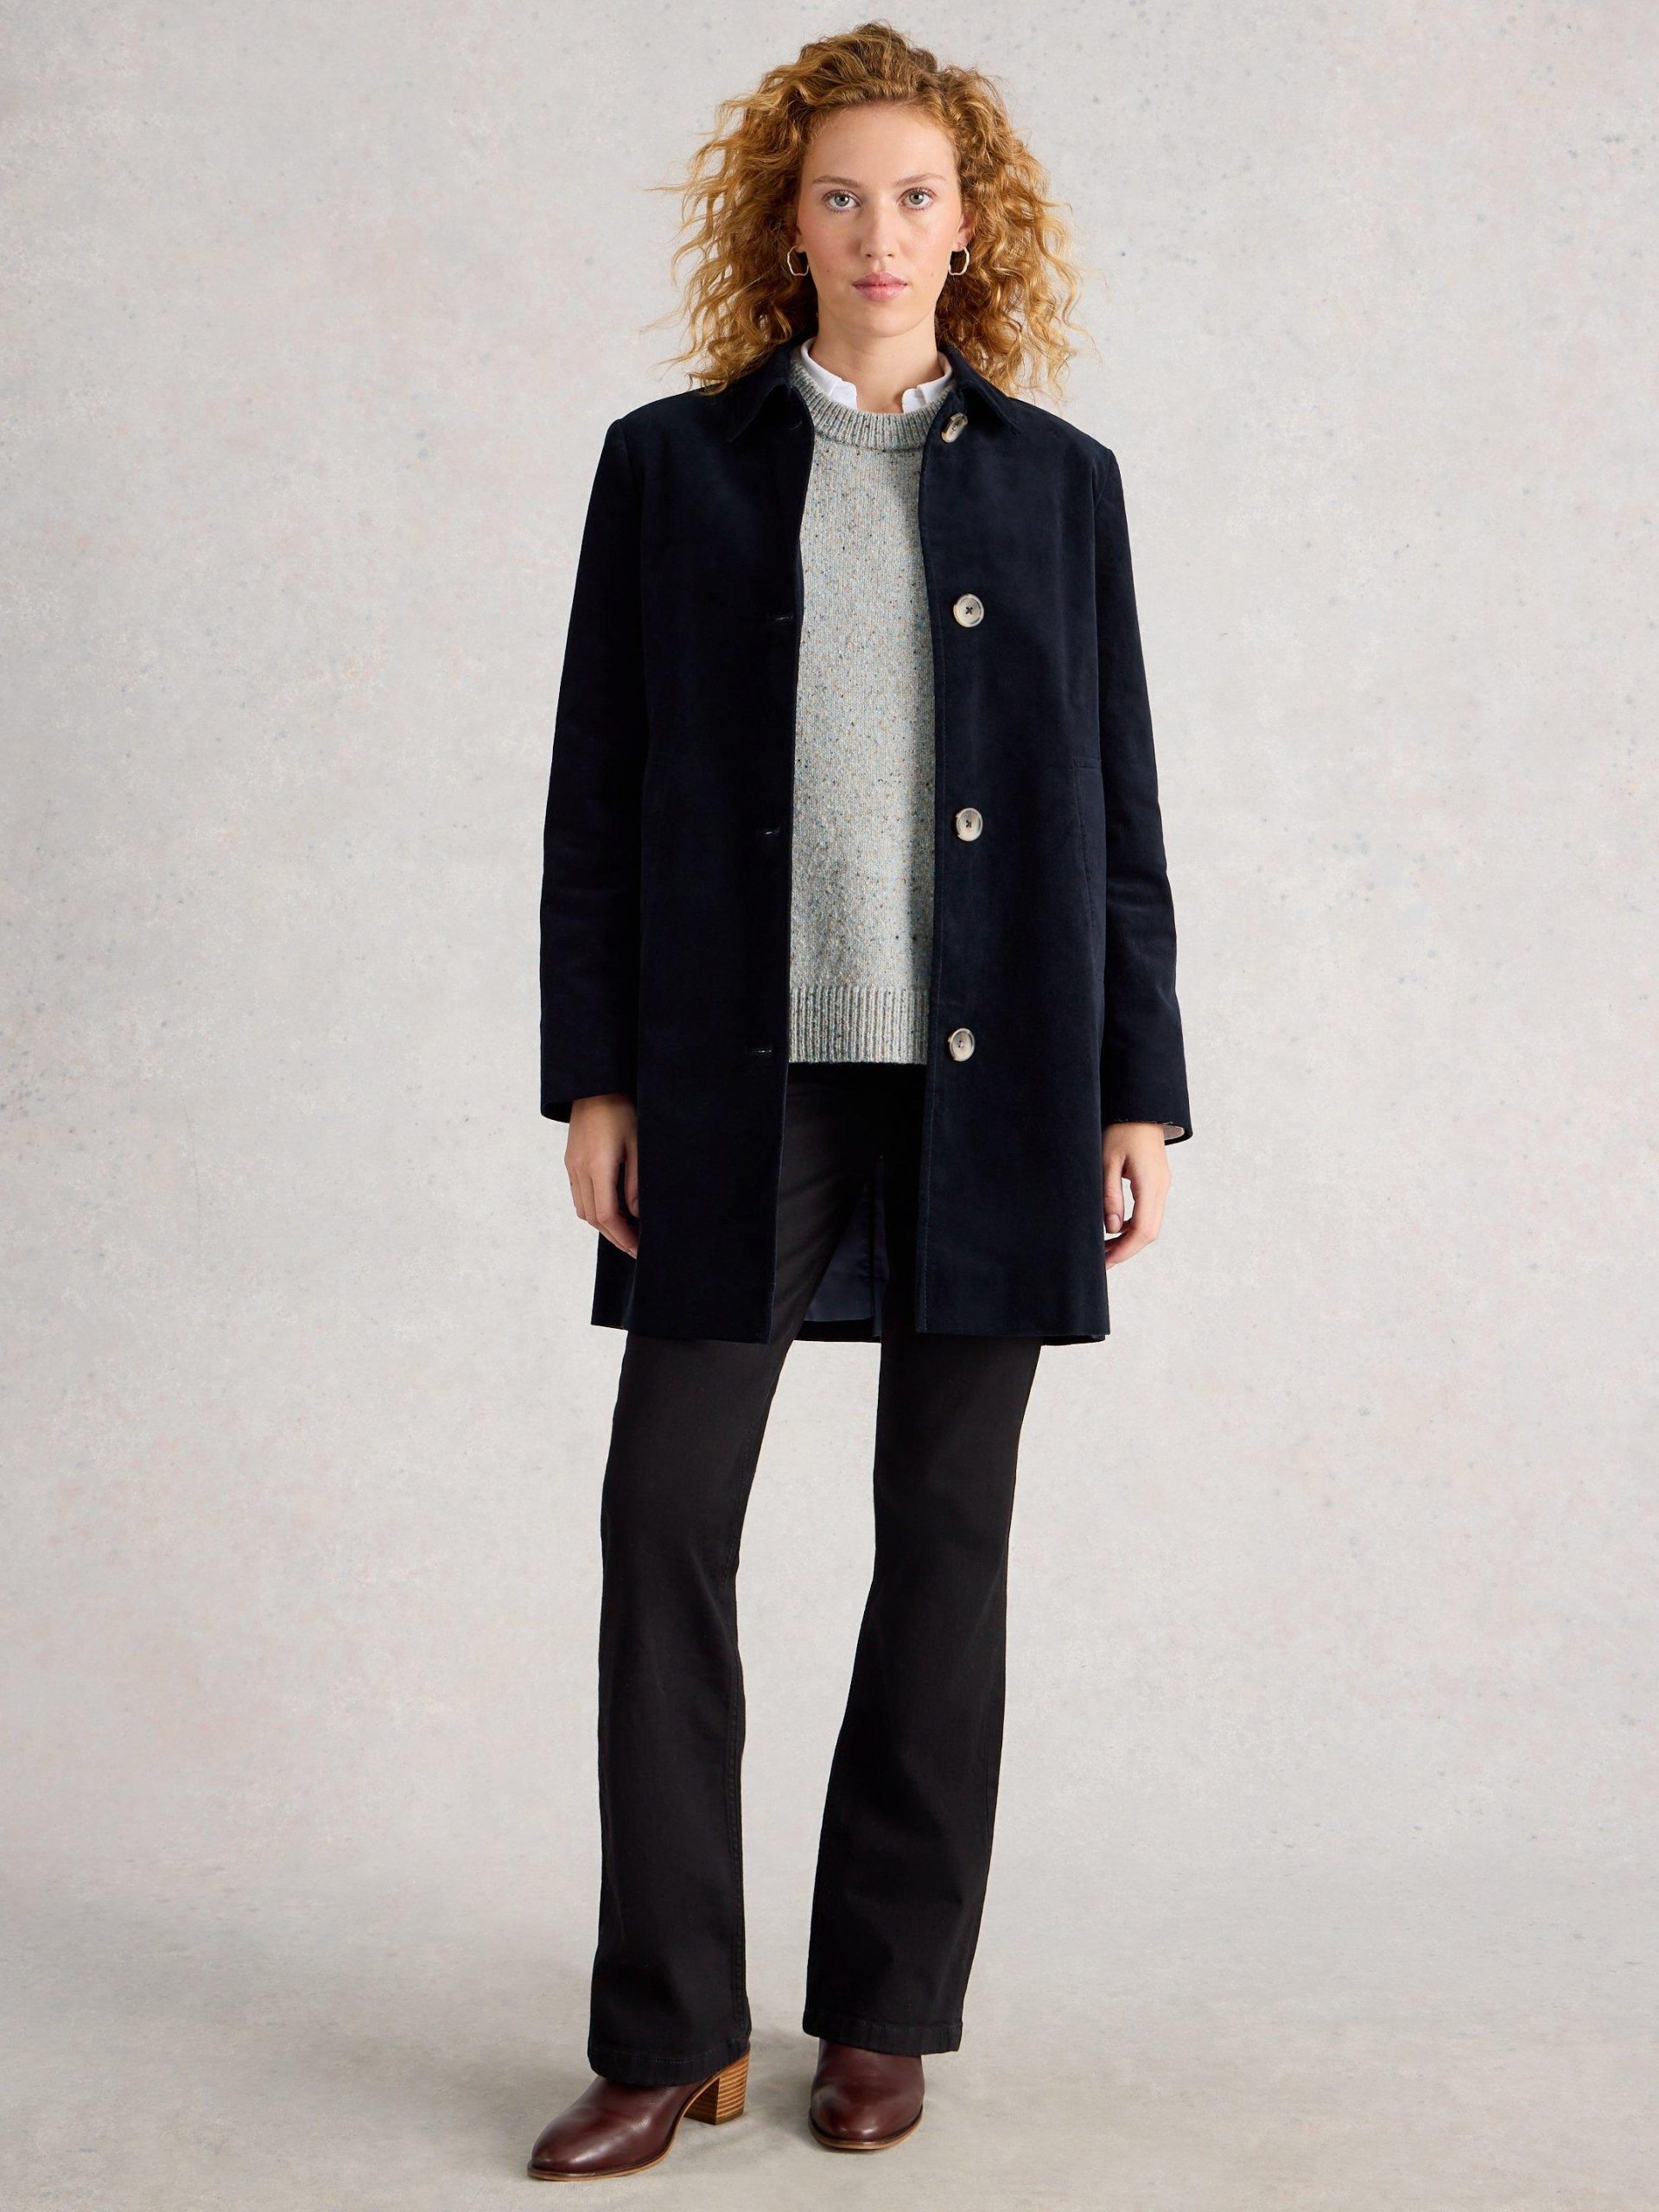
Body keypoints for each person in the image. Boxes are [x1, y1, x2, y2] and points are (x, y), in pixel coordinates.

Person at [527, 23, 1192, 2183]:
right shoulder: (670, 469)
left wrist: (1140, 1091)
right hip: (739, 1073)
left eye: (914, 196)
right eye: (839, 196)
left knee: (947, 1535)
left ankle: (885, 2007)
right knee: (663, 1515)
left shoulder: (1060, 486)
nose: (879, 233)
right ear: (787, 225)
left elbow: (1117, 812)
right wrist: (596, 1072)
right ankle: (668, 2026)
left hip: (1003, 1081)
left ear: (969, 228)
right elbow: (598, 792)